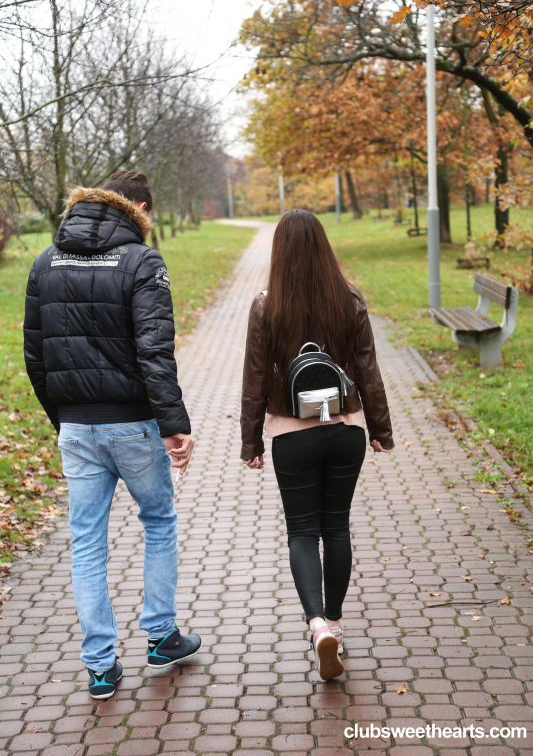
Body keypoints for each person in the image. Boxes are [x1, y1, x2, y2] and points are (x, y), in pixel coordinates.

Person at [24, 171, 201, 700]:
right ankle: (161, 636)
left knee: (85, 543)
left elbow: (35, 355)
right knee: (159, 521)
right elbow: (154, 351)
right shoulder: (142, 262)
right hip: (133, 423)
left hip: (77, 425)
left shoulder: (44, 262)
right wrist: (175, 426)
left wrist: (65, 420)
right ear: (139, 208)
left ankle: (100, 666)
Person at [240, 209, 394, 681]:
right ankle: (338, 622)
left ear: (279, 252)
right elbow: (368, 369)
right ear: (325, 248)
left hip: (292, 435)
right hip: (345, 431)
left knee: (302, 532)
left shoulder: (266, 305)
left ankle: (316, 625)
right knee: (338, 529)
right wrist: (380, 430)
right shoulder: (349, 300)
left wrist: (251, 442)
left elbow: (254, 378)